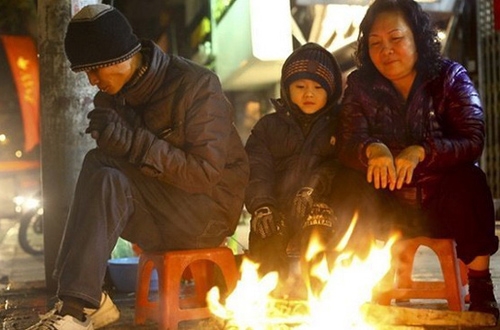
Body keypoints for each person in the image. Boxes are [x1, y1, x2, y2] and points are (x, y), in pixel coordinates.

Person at [28, 4, 249, 330]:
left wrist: (134, 144)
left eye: (94, 70)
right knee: (103, 170)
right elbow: (115, 174)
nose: (91, 82)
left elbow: (205, 174)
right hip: (160, 213)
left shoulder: (196, 85)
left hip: (207, 214)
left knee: (99, 163)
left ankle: (79, 306)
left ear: (119, 58)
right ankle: (77, 305)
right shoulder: (113, 96)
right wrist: (111, 139)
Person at [336, 0, 499, 320]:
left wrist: (423, 151)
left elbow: (472, 139)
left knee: (471, 179)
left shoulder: (450, 77)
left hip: (442, 204)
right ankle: (371, 282)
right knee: (346, 180)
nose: (386, 51)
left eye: (396, 38)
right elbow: (347, 141)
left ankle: (480, 284)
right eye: (375, 43)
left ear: (418, 38)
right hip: (389, 207)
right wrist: (372, 149)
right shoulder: (360, 84)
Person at [244, 42, 344, 296]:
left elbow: (341, 167)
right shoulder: (268, 127)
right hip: (278, 209)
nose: (308, 93)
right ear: (287, 89)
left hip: (321, 209)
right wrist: (262, 206)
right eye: (300, 87)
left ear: (331, 92)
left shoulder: (341, 125)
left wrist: (315, 190)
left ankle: (321, 297)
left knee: (320, 236)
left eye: (318, 87)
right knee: (267, 235)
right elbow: (257, 169)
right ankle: (272, 300)